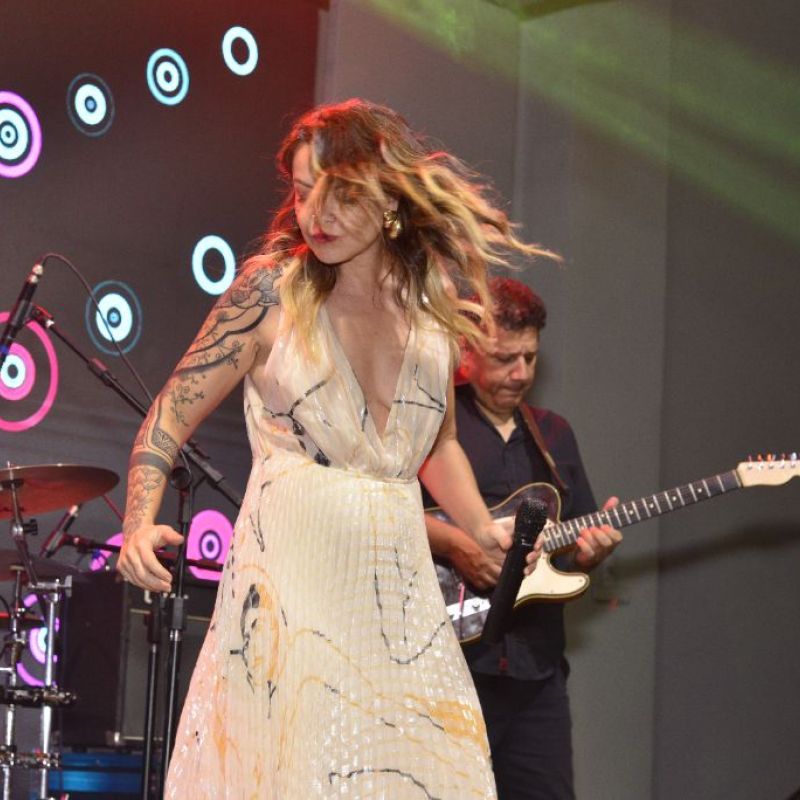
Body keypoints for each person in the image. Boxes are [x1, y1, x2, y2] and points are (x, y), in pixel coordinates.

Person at [117, 100, 552, 798]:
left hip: (397, 601)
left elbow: (436, 442)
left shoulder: (432, 310)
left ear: (390, 199)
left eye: (342, 194)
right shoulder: (271, 293)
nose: (315, 212)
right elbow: (166, 417)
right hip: (290, 589)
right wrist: (138, 522)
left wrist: (482, 529)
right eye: (302, 190)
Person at [422, 277, 622, 800]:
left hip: (536, 672)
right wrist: (458, 546)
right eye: (505, 358)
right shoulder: (434, 420)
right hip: (448, 667)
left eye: (530, 358)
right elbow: (388, 513)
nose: (521, 373)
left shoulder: (554, 434)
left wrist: (589, 554)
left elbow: (570, 550)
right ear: (466, 350)